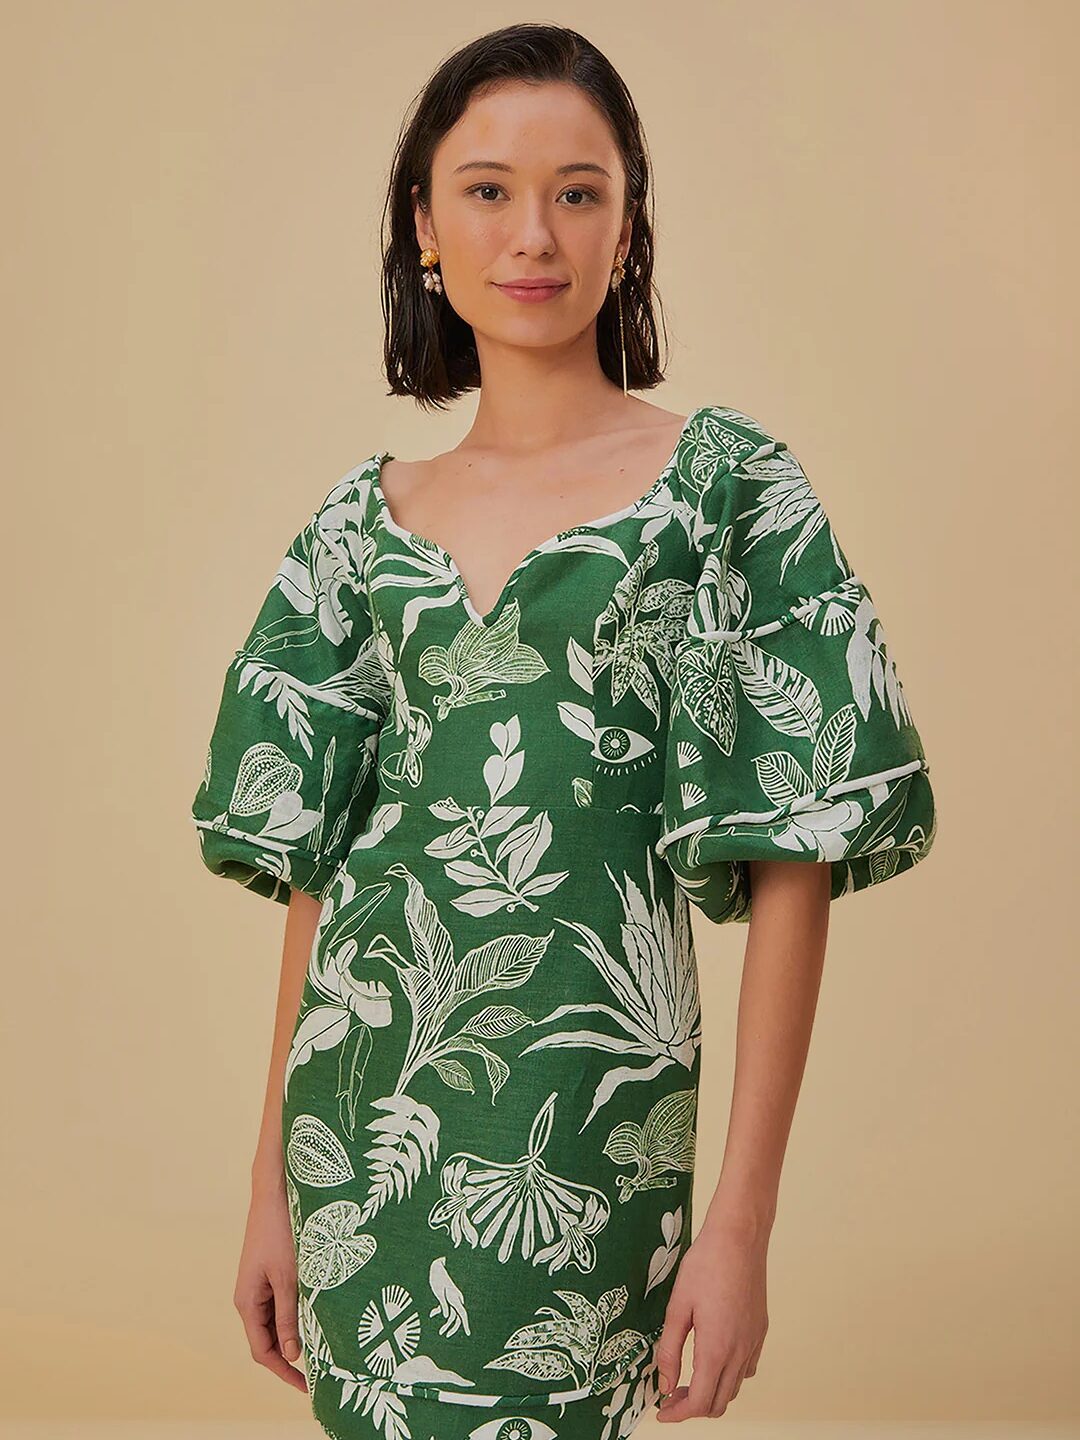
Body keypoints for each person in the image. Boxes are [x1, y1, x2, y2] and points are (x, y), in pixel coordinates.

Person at [190, 22, 937, 1440]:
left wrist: (741, 1222)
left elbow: (797, 863)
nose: (533, 232)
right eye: (486, 189)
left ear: (628, 225)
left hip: (587, 1149)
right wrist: (269, 1190)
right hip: (359, 1155)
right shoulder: (357, 531)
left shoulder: (728, 494)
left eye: (578, 191)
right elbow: (320, 878)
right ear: (424, 226)